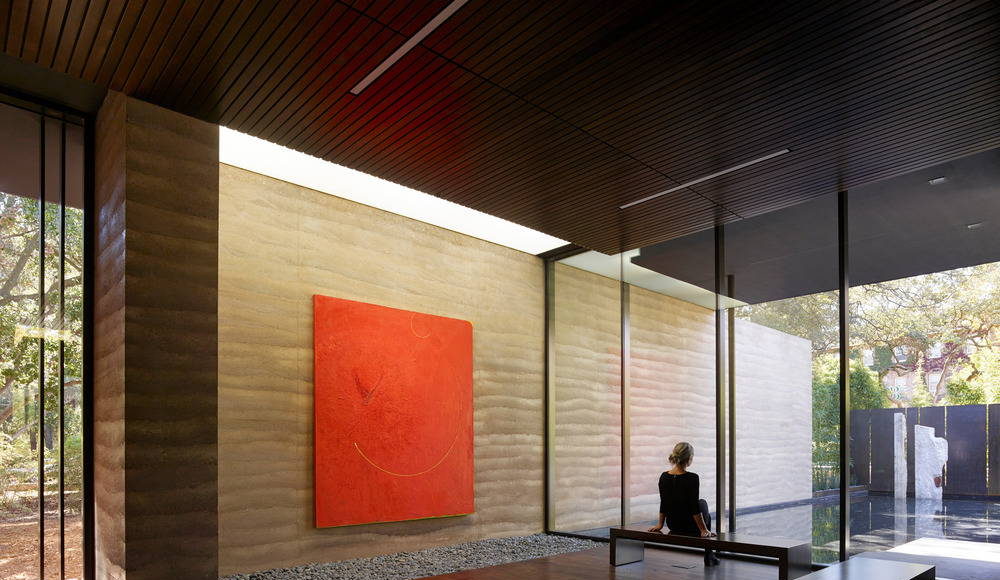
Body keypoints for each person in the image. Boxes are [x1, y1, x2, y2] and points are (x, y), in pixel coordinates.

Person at [647, 441, 720, 566]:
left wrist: (660, 524)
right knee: (702, 503)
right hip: (690, 527)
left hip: (673, 524)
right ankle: (709, 554)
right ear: (689, 458)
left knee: (700, 503)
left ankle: (710, 552)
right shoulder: (692, 478)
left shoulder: (664, 477)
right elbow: (694, 507)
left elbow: (664, 502)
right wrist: (703, 529)